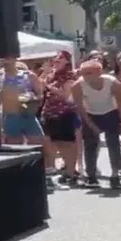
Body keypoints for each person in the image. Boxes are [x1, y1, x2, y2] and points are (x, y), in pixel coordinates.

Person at [71, 60, 121, 189]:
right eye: (83, 73)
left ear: (99, 72)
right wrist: (91, 125)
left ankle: (115, 174)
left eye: (89, 73)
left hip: (111, 112)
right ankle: (91, 176)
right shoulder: (77, 86)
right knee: (91, 144)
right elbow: (80, 108)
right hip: (90, 113)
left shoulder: (112, 83)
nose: (85, 76)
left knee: (113, 142)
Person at [41, 52, 79, 185]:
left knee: (67, 143)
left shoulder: (70, 75)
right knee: (54, 142)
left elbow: (67, 96)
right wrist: (44, 76)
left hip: (65, 113)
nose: (57, 60)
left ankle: (71, 172)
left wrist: (52, 88)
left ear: (67, 61)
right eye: (56, 57)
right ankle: (63, 170)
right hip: (50, 113)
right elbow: (41, 89)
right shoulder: (51, 75)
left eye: (61, 58)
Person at [0, 58, 44, 145]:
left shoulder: (29, 75)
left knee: (38, 146)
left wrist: (31, 99)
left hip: (28, 115)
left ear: (15, 59)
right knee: (15, 149)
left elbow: (40, 95)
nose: (5, 61)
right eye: (2, 59)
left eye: (7, 58)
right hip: (10, 116)